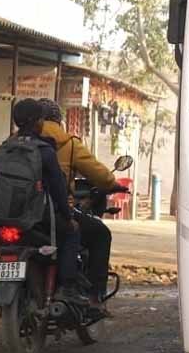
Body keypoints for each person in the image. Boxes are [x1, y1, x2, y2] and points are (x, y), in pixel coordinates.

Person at [38, 98, 124, 310]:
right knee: (100, 234)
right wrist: (113, 184)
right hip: (54, 210)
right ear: (59, 120)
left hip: (17, 214)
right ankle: (95, 296)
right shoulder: (69, 144)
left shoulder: (14, 142)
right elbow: (100, 175)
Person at [7, 99, 88, 305]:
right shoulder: (45, 150)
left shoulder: (3, 149)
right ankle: (67, 287)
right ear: (38, 122)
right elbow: (59, 190)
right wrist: (68, 217)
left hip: (3, 217)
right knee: (71, 232)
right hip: (38, 218)